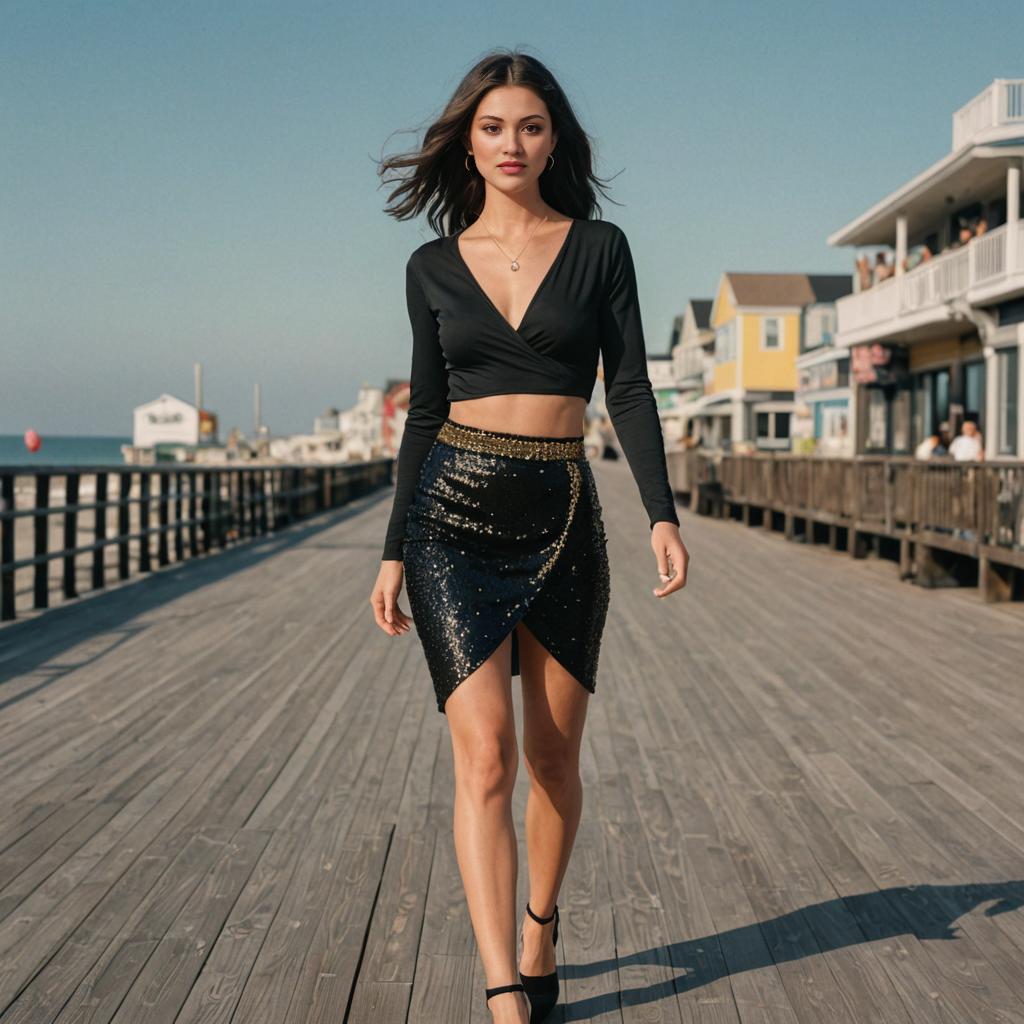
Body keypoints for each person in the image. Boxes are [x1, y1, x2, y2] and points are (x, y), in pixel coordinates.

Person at [369, 50, 689, 1024]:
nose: (513, 143)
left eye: (532, 126)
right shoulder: (428, 266)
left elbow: (627, 387)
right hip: (449, 518)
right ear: (469, 140)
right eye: (494, 126)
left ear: (556, 141)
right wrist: (390, 548)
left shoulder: (599, 250)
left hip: (560, 513)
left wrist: (660, 513)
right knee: (486, 760)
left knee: (553, 759)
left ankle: (541, 923)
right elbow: (423, 411)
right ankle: (505, 982)